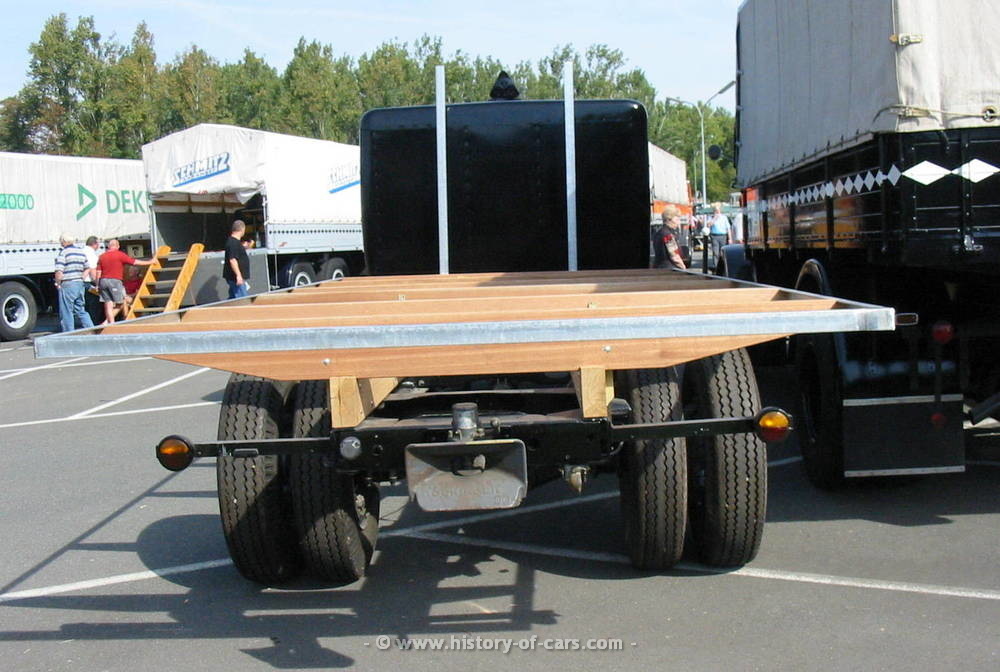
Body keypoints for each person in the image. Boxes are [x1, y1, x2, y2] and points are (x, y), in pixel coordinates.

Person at [96, 239, 154, 324]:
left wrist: (97, 285)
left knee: (108, 304)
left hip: (103, 281)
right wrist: (149, 262)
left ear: (108, 246)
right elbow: (134, 262)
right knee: (120, 303)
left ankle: (109, 323)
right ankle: (107, 323)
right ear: (118, 246)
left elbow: (98, 272)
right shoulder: (120, 255)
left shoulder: (101, 256)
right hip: (114, 281)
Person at [54, 233, 95, 332]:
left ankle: (69, 333)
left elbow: (59, 271)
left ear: (64, 241)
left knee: (66, 311)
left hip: (68, 284)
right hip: (79, 284)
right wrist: (81, 277)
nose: (61, 244)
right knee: (80, 309)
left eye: (61, 241)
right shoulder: (80, 252)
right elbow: (87, 268)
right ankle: (91, 329)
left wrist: (58, 283)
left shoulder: (64, 252)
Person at [651, 205, 687, 270]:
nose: (679, 222)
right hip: (669, 269)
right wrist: (683, 267)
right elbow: (674, 256)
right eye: (677, 219)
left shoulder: (658, 233)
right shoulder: (668, 235)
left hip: (657, 268)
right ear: (669, 219)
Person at [224, 220, 251, 299]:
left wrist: (244, 247)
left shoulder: (235, 242)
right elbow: (232, 260)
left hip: (234, 277)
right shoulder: (233, 243)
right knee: (243, 299)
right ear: (242, 229)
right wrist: (238, 276)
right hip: (235, 278)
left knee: (232, 299)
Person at [82, 235, 103, 324]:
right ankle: (93, 325)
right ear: (95, 244)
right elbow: (92, 269)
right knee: (94, 306)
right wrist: (97, 284)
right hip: (89, 283)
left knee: (85, 306)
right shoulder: (91, 254)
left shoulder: (82, 251)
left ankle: (87, 325)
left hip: (82, 283)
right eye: (98, 243)